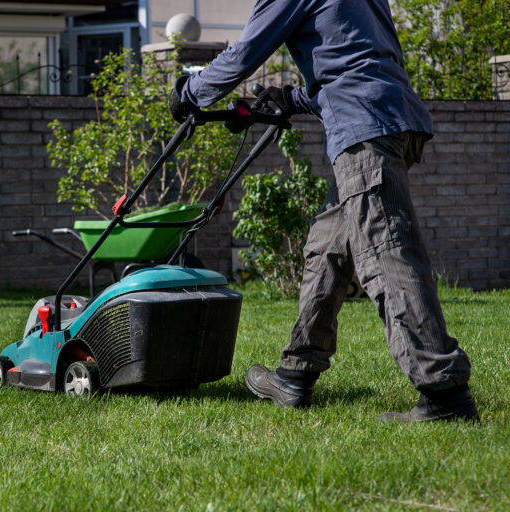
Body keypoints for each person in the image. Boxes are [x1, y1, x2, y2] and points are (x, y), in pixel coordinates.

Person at [169, 0, 478, 422]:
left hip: (364, 127)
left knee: (386, 255)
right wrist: (290, 98)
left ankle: (445, 393)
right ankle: (296, 373)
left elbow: (245, 53)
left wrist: (189, 91)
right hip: (395, 116)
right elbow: (355, 59)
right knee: (329, 248)